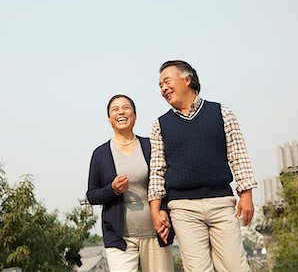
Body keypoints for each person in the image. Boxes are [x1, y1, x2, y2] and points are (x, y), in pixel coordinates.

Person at [148, 60, 258, 272]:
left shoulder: (221, 113)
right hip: (183, 208)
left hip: (222, 203)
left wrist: (246, 195)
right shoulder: (159, 125)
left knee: (236, 267)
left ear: (187, 79)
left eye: (167, 81)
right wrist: (156, 211)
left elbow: (238, 155)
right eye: (160, 85)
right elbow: (157, 171)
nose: (163, 88)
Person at [86, 94, 174, 272]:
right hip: (120, 238)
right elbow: (92, 195)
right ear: (109, 118)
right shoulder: (100, 154)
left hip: (156, 232)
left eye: (126, 108)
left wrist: (164, 209)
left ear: (135, 115)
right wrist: (113, 189)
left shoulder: (152, 147)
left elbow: (167, 183)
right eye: (115, 109)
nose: (121, 112)